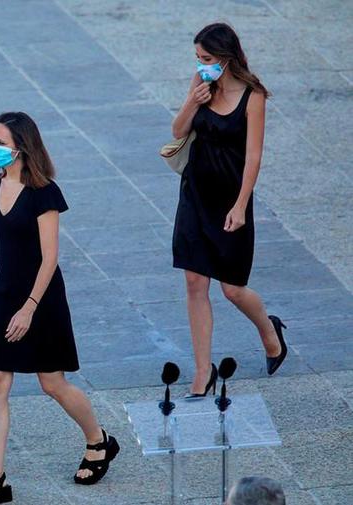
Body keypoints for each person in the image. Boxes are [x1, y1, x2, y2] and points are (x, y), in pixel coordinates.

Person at [0, 112, 119, 505]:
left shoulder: (43, 192)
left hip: (41, 299)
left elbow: (50, 258)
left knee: (52, 383)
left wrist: (30, 307)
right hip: (4, 295)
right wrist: (13, 303)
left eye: (0, 142)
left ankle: (98, 440)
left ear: (21, 146)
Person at [171, 23, 289, 398]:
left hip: (230, 199)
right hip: (195, 194)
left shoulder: (253, 95)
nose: (201, 65)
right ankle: (203, 370)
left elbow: (253, 156)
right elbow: (177, 131)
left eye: (207, 59)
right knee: (194, 282)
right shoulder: (200, 83)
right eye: (198, 59)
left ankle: (270, 331)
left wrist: (241, 205)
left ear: (226, 57)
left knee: (233, 290)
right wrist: (193, 100)